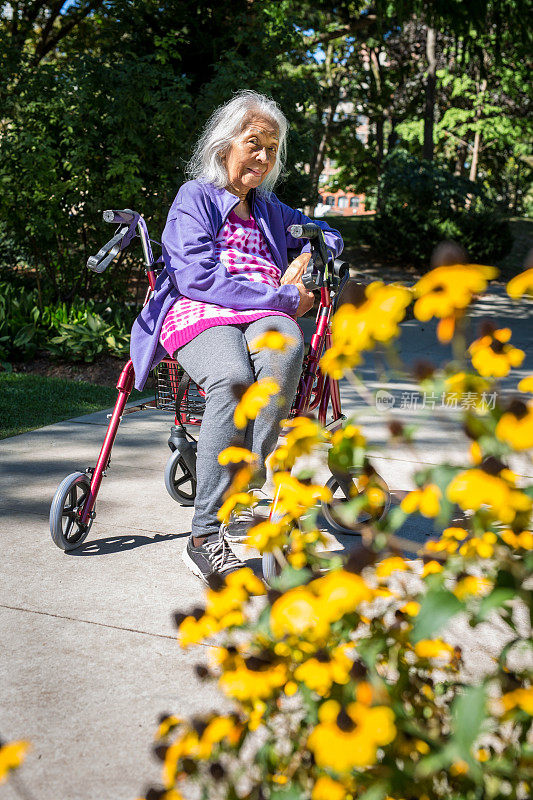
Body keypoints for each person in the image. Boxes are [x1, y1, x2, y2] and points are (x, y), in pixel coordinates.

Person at [130, 90, 343, 583]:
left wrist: (310, 261)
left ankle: (246, 482)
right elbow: (197, 279)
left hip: (266, 314)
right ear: (226, 144)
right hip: (203, 311)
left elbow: (326, 235)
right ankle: (204, 536)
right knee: (230, 381)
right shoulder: (195, 198)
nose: (264, 158)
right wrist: (283, 299)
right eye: (254, 144)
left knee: (286, 353)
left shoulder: (269, 209)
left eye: (272, 149)